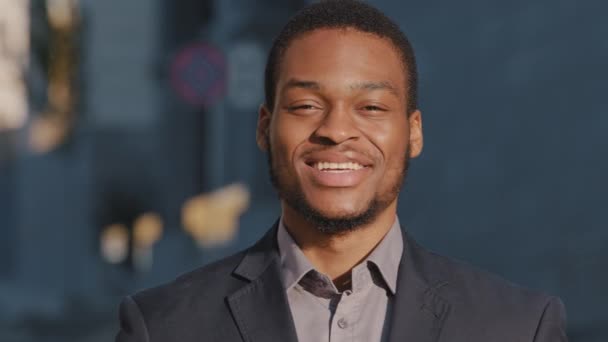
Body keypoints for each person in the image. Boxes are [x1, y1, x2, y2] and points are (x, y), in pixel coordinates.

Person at [115, 1, 568, 341]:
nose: (336, 130)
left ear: (413, 131)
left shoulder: (517, 327)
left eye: (370, 107)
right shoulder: (163, 326)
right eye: (306, 105)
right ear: (265, 127)